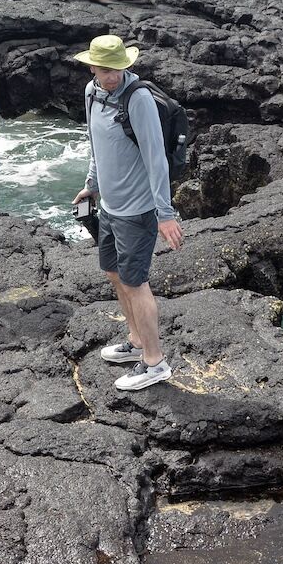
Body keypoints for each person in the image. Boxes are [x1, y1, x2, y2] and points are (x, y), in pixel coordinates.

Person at [70, 35, 183, 392]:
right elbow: (95, 143)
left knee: (136, 283)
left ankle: (155, 362)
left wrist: (165, 214)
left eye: (117, 69)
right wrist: (92, 184)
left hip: (139, 210)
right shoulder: (92, 93)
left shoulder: (139, 99)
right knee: (113, 272)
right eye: (105, 70)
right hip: (109, 206)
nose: (112, 76)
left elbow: (156, 159)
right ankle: (135, 341)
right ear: (92, 67)